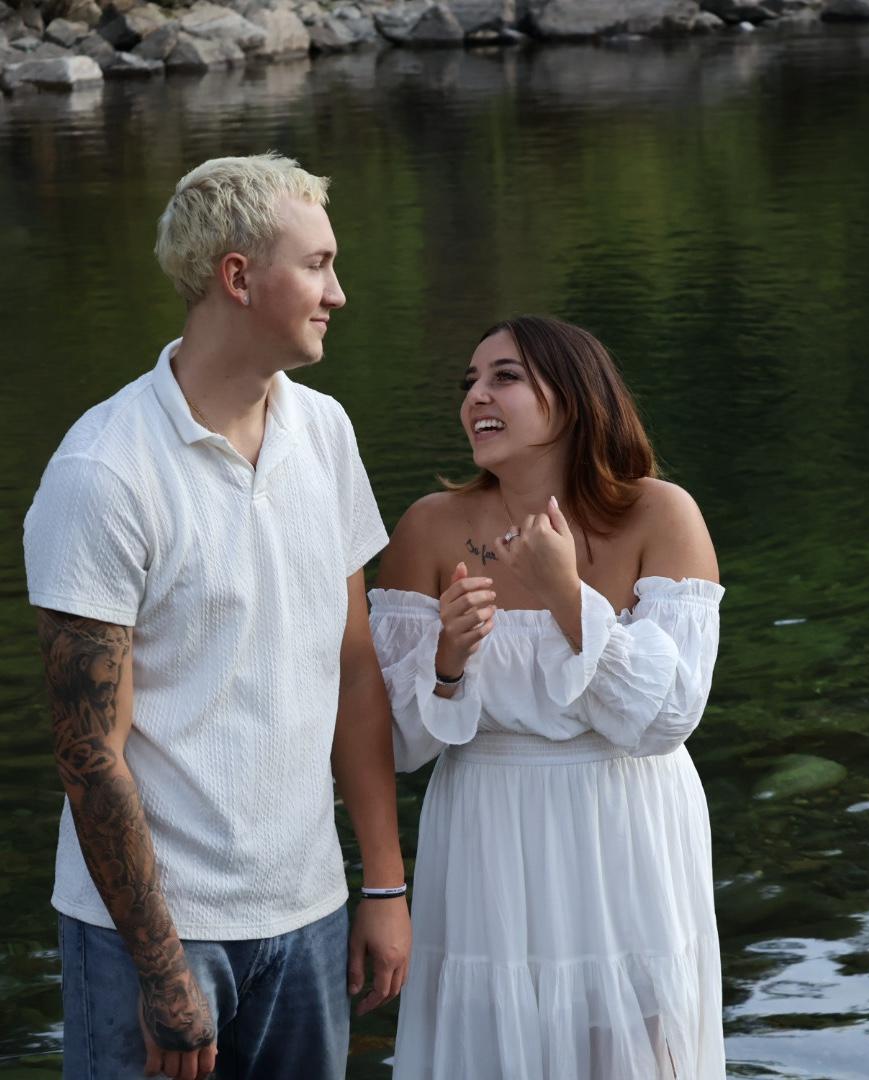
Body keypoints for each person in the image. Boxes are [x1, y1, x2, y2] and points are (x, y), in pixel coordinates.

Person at [23, 153, 411, 1080]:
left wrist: (383, 883)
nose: (338, 293)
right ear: (238, 277)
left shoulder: (327, 433)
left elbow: (354, 664)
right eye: (316, 266)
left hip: (309, 915)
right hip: (151, 934)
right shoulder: (104, 472)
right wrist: (162, 974)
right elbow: (89, 752)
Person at [370, 315, 726, 1079]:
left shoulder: (660, 513)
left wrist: (566, 596)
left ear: (573, 398)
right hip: (487, 830)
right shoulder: (429, 528)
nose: (476, 396)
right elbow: (395, 746)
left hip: (625, 822)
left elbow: (668, 719)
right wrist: (448, 661)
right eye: (469, 381)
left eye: (504, 377)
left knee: (635, 1046)